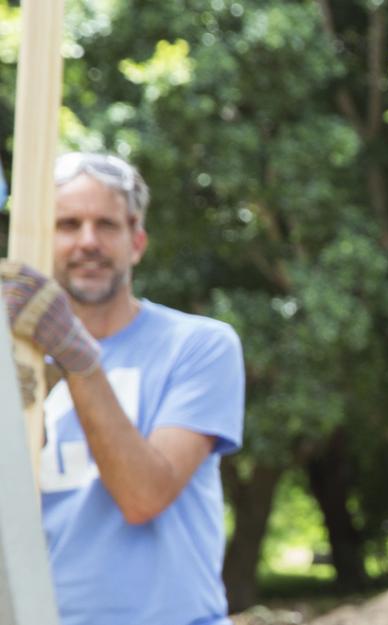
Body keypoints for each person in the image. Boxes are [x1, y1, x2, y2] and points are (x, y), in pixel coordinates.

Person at [3, 153, 246, 625]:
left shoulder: (199, 347)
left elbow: (143, 497)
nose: (87, 241)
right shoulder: (17, 366)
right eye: (68, 224)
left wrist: (76, 356)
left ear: (136, 241)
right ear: (41, 241)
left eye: (106, 225)